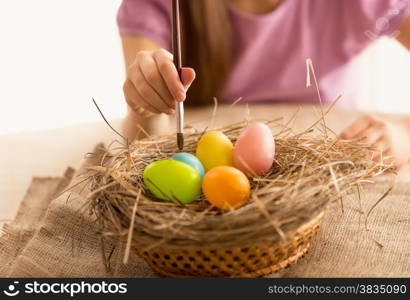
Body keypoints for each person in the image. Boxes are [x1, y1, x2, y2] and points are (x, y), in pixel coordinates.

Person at [117, 0, 410, 167]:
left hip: (332, 165)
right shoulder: (160, 5)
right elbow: (146, 141)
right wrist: (149, 97)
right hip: (205, 170)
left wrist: (404, 138)